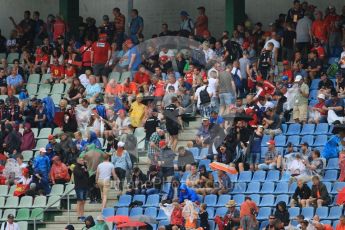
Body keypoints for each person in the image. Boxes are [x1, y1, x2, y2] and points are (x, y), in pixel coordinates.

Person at [73, 157, 89, 222]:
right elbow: (79, 175)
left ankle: (82, 215)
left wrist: (85, 169)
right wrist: (83, 170)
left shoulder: (84, 167)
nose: (83, 161)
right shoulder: (76, 168)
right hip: (79, 187)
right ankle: (79, 216)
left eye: (83, 160)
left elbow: (87, 175)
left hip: (85, 186)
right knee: (79, 201)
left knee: (83, 201)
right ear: (78, 161)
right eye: (81, 160)